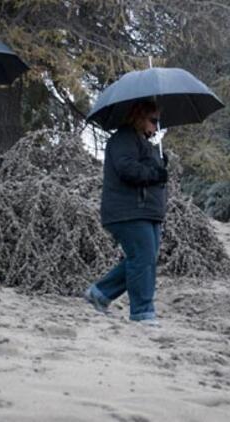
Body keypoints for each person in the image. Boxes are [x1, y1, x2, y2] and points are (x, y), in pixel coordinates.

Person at [84, 100, 168, 326]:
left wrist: (160, 164)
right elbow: (127, 169)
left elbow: (147, 169)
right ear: (138, 116)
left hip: (147, 211)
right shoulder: (123, 138)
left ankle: (99, 294)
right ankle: (142, 313)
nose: (156, 127)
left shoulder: (143, 142)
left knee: (144, 258)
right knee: (142, 259)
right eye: (153, 120)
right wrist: (155, 173)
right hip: (129, 211)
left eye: (158, 121)